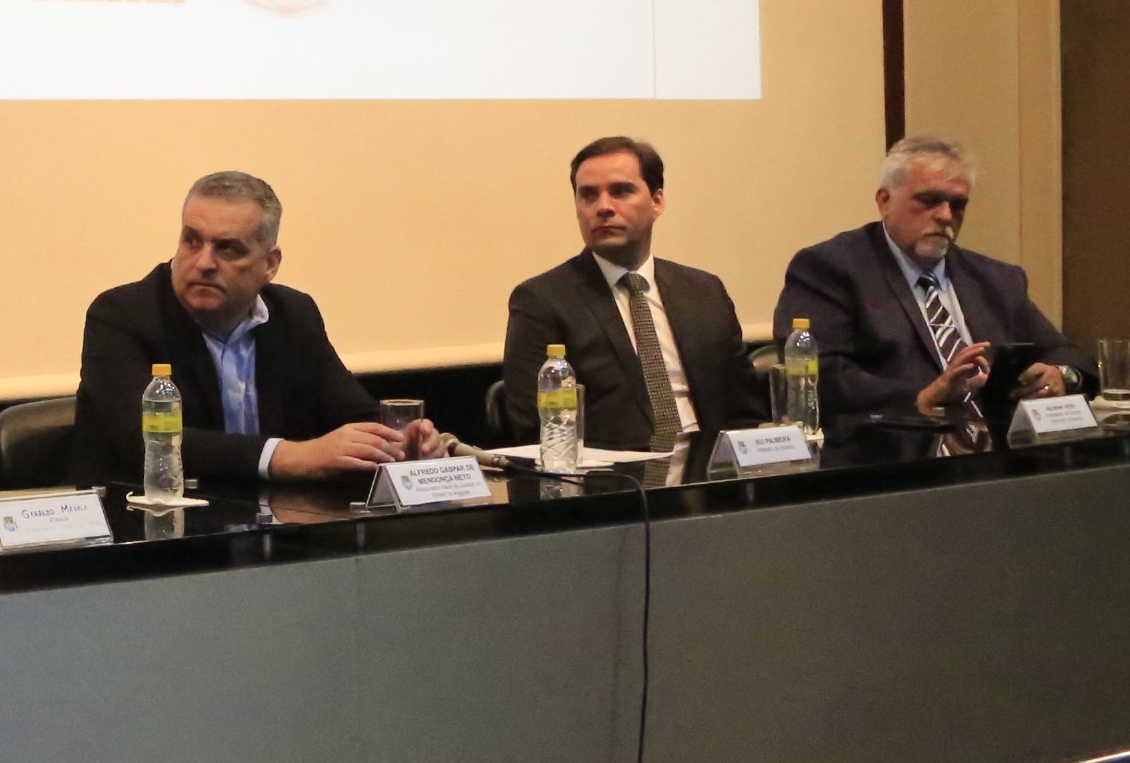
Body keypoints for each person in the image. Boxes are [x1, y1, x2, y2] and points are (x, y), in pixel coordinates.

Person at [74, 172, 435, 495]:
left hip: (274, 524)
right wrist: (292, 456)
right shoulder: (122, 315)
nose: (204, 263)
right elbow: (149, 443)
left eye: (228, 249)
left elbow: (350, 413)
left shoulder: (293, 314)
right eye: (192, 241)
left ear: (270, 264)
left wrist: (401, 440)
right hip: (152, 527)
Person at [773, 135, 1083, 430]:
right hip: (891, 452)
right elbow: (818, 376)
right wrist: (924, 396)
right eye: (929, 201)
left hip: (997, 450)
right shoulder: (832, 268)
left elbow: (1069, 354)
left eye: (957, 205)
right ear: (885, 201)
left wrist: (1061, 375)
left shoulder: (997, 279)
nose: (946, 215)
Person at [499, 136, 770, 450]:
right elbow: (537, 430)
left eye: (621, 191)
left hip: (708, 466)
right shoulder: (543, 301)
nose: (603, 207)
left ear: (657, 202)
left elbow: (745, 412)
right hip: (614, 473)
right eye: (588, 195)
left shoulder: (704, 291)